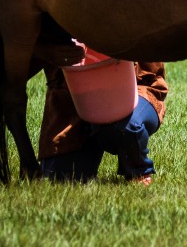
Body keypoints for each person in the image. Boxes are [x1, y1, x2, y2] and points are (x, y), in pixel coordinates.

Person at [33, 40, 168, 185]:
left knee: (122, 126)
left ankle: (137, 169)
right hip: (72, 98)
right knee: (61, 177)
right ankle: (96, 137)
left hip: (133, 88)